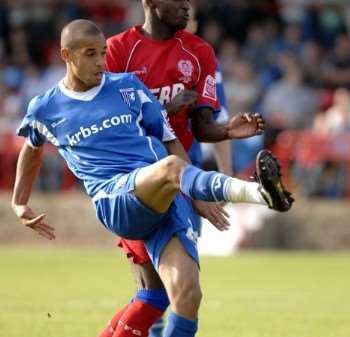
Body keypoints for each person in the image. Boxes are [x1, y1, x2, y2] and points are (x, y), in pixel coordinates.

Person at [11, 19, 293, 337]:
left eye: (103, 53)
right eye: (90, 54)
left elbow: (171, 139)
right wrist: (20, 202)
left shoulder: (127, 86)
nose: (100, 62)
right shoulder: (45, 108)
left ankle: (261, 193)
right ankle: (261, 194)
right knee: (171, 169)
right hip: (114, 198)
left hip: (161, 195)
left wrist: (195, 192)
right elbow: (31, 149)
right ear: (66, 55)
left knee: (184, 295)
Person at [100, 1, 251, 336]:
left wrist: (226, 131)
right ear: (150, 3)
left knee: (176, 293)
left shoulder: (200, 53)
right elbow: (110, 128)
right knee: (156, 296)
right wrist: (164, 108)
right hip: (132, 183)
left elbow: (202, 126)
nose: (187, 6)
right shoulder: (116, 51)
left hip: (181, 178)